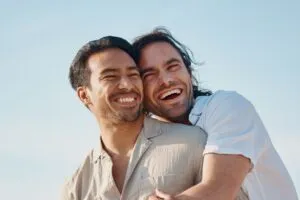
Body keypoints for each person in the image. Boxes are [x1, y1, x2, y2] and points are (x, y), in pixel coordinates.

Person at [133, 27, 298, 200]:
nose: (166, 80)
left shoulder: (227, 106)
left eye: (173, 67)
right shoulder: (147, 142)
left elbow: (218, 189)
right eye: (149, 75)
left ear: (189, 73)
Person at [61, 36, 211, 200]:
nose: (127, 84)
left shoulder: (195, 143)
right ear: (84, 96)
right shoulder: (76, 187)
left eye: (133, 74)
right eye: (110, 77)